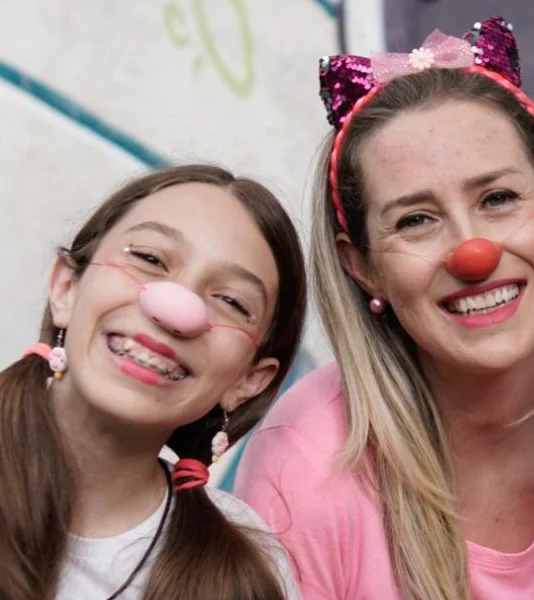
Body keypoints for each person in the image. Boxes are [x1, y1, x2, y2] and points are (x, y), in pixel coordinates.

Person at [234, 15, 534, 600]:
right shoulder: (304, 458)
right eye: (415, 220)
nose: (472, 254)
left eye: (498, 198)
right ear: (362, 264)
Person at [0, 165, 307, 599]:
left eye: (231, 302)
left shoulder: (246, 578)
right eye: (149, 259)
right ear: (67, 287)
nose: (175, 310)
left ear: (249, 380)